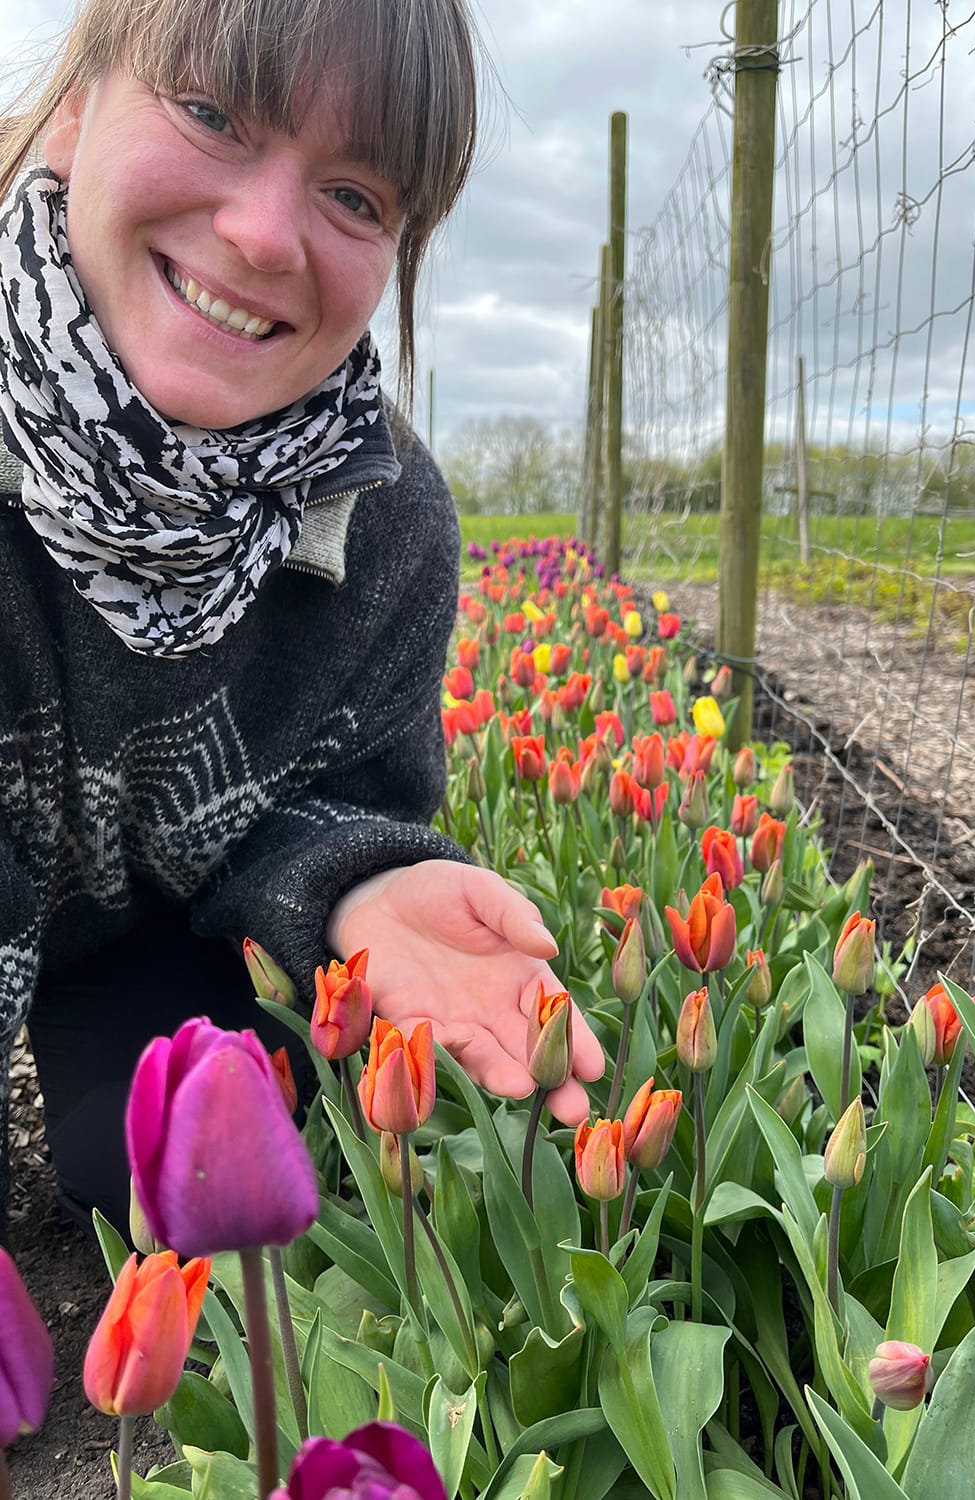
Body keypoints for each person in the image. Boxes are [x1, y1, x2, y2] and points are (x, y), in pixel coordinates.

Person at [0, 0, 602, 1233]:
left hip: (156, 919)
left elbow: (338, 796)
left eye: (354, 196)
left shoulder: (385, 520)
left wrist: (359, 880)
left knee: (180, 1174)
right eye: (211, 113)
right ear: (72, 111)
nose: (264, 235)